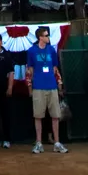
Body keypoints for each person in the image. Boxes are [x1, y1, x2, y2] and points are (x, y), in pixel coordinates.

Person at [26, 26, 67, 154]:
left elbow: (55, 69)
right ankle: (38, 143)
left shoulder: (51, 50)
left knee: (55, 116)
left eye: (48, 35)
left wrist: (59, 85)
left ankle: (57, 143)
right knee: (38, 116)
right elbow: (29, 71)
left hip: (52, 87)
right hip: (38, 87)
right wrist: (30, 87)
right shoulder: (32, 51)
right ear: (40, 37)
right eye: (46, 35)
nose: (48, 37)